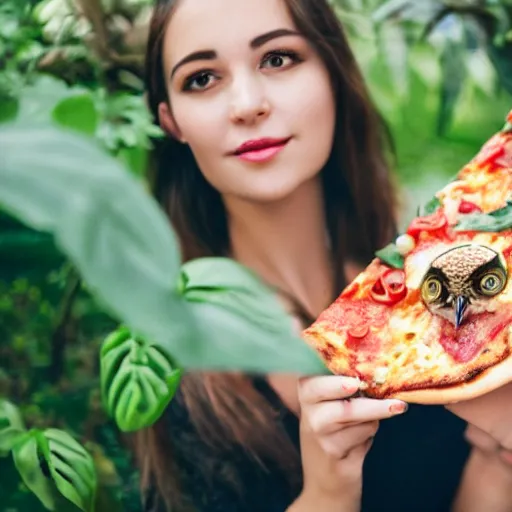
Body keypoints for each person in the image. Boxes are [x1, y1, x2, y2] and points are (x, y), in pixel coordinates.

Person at [133, 0, 512, 510]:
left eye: (277, 59)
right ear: (172, 121)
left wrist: (496, 461)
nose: (247, 103)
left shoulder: (443, 277)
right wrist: (326, 494)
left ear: (334, 74)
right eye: (202, 78)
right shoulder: (166, 370)